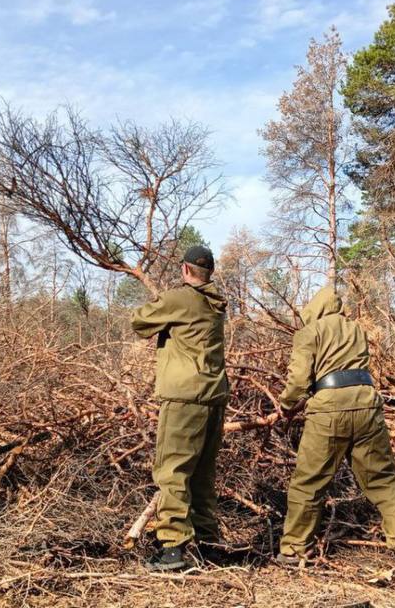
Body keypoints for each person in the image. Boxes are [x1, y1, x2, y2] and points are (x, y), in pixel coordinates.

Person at [275, 282, 395, 564]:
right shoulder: (356, 330)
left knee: (309, 482)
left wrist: (286, 406)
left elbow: (298, 380)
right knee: (383, 478)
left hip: (329, 410)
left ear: (313, 310)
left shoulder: (309, 332)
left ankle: (294, 549)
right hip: (367, 405)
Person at [130, 244, 229, 572]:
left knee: (172, 472)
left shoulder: (180, 298)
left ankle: (173, 549)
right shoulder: (216, 304)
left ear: (186, 270)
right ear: (209, 272)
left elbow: (139, 322)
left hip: (184, 399)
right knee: (201, 475)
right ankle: (207, 544)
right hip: (214, 398)